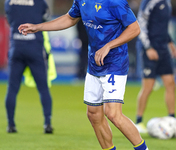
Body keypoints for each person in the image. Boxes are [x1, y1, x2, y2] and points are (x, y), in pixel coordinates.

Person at [18, 0, 149, 149]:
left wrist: (109, 46)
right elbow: (70, 18)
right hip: (94, 63)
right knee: (93, 114)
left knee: (113, 114)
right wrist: (38, 27)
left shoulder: (114, 2)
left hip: (115, 63)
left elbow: (134, 28)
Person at [4, 0, 55, 134]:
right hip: (35, 48)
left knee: (12, 88)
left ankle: (10, 124)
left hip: (17, 47)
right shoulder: (40, 2)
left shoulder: (9, 2)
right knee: (43, 88)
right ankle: (47, 123)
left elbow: (9, 18)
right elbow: (46, 18)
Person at [135, 0, 176, 133]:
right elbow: (140, 25)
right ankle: (139, 121)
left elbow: (163, 26)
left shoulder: (167, 2)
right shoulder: (149, 2)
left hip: (163, 49)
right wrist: (148, 47)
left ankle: (171, 118)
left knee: (171, 83)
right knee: (148, 86)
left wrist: (170, 43)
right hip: (150, 48)